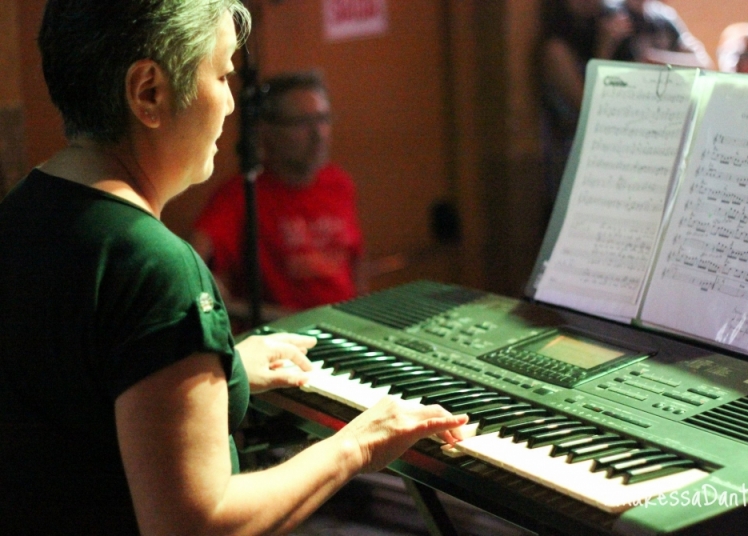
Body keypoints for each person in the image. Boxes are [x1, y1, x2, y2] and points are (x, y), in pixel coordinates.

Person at [0, 1, 468, 534]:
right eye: (222, 74)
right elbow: (198, 523)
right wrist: (360, 443)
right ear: (149, 92)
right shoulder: (153, 264)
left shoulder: (22, 211)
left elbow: (79, 413)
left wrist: (223, 368)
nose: (229, 105)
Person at [192, 71, 363, 324]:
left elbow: (355, 265)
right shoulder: (241, 194)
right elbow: (192, 263)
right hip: (283, 340)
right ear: (267, 131)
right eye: (302, 122)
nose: (319, 134)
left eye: (323, 119)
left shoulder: (339, 183)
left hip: (345, 328)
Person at [536, 0, 629, 206]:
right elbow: (589, 106)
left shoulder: (596, 28)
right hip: (571, 154)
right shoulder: (556, 48)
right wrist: (604, 48)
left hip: (610, 149)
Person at [604, 0, 712, 68]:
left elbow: (703, 62)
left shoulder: (664, 16)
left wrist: (655, 59)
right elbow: (592, 66)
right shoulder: (609, 12)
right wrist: (608, 39)